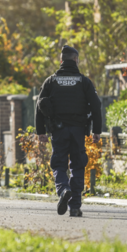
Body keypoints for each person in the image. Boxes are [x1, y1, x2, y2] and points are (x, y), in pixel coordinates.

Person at [35, 45, 102, 217]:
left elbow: (39, 106)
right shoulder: (84, 82)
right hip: (78, 130)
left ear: (61, 61)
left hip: (58, 131)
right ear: (76, 60)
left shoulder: (50, 81)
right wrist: (97, 131)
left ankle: (64, 189)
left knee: (59, 164)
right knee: (78, 165)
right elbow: (96, 106)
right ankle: (75, 207)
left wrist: (40, 131)